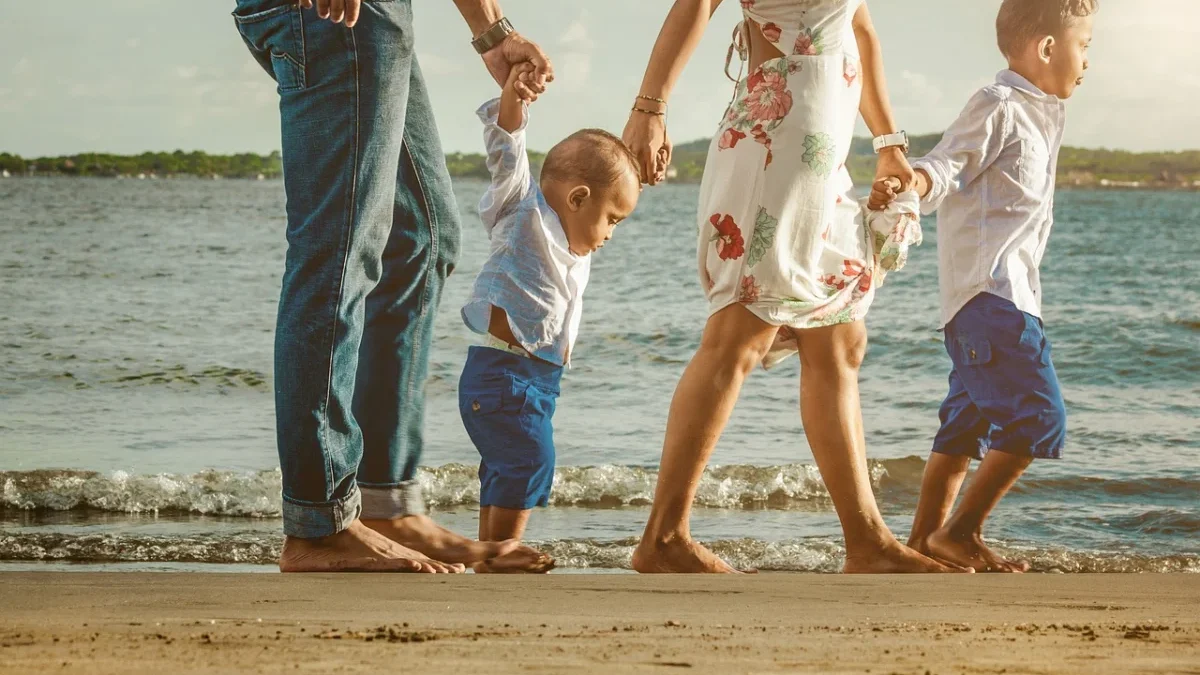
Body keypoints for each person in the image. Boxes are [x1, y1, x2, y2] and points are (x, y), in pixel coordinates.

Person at [622, 0, 960, 573]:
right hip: (775, 133)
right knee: (741, 330)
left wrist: (889, 145)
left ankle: (867, 541)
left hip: (824, 149)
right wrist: (650, 107)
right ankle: (663, 537)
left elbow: (860, 26)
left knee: (839, 336)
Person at [232, 0, 555, 572]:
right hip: (336, 17)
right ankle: (318, 520)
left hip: (376, 17)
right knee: (338, 248)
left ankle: (383, 503)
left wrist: (491, 30)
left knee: (421, 239)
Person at [884, 0, 1097, 573]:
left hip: (995, 302)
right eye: (1085, 46)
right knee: (1039, 418)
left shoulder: (1043, 113)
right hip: (992, 299)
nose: (1088, 62)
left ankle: (922, 544)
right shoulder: (998, 105)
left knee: (965, 426)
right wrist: (911, 184)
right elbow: (945, 165)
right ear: (1047, 47)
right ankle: (962, 533)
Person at [457, 65, 642, 573]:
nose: (610, 234)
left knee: (505, 467)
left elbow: (614, 164)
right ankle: (504, 551)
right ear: (578, 199)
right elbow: (507, 153)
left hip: (534, 379)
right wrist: (514, 102)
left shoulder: (577, 246)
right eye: (612, 220)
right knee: (529, 461)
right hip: (503, 375)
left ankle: (489, 553)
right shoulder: (523, 215)